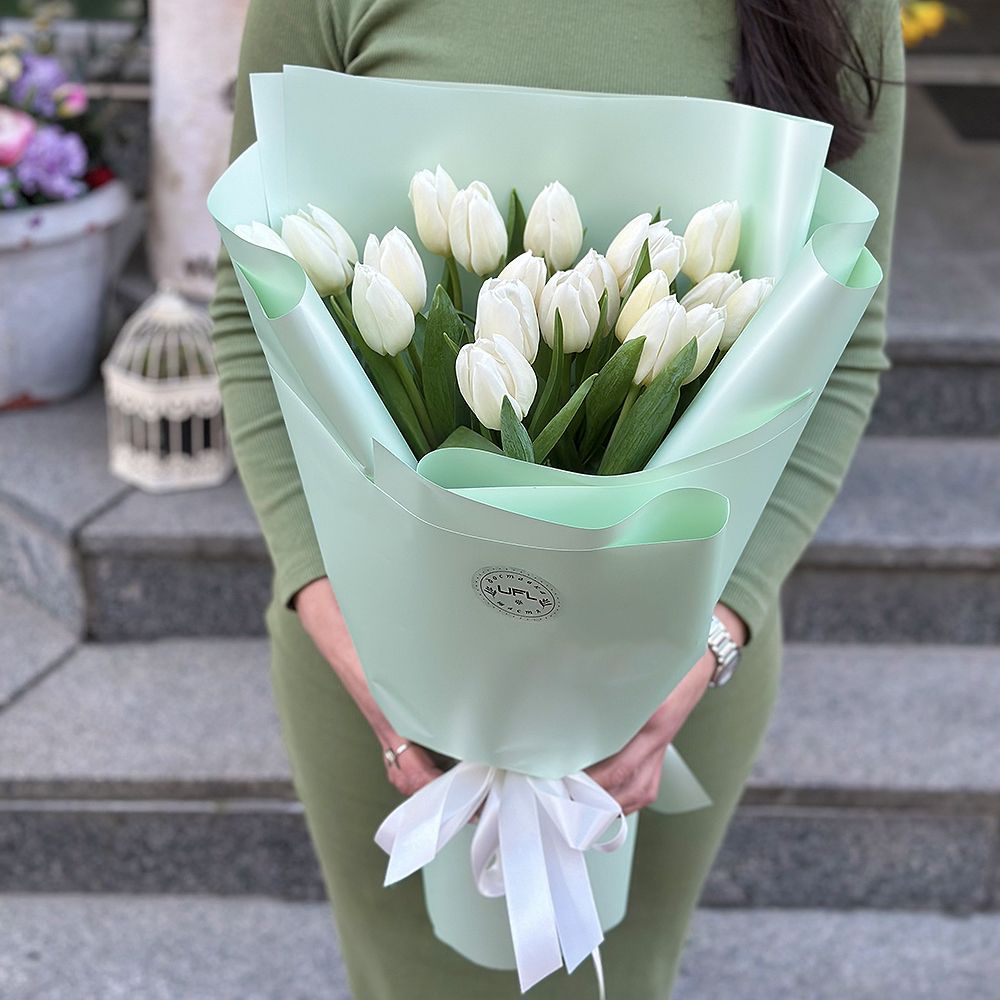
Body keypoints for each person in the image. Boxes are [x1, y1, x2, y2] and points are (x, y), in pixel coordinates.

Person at [209, 2, 904, 995]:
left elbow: (842, 350)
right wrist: (328, 602)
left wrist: (712, 634)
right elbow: (251, 308)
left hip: (671, 669)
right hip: (369, 660)